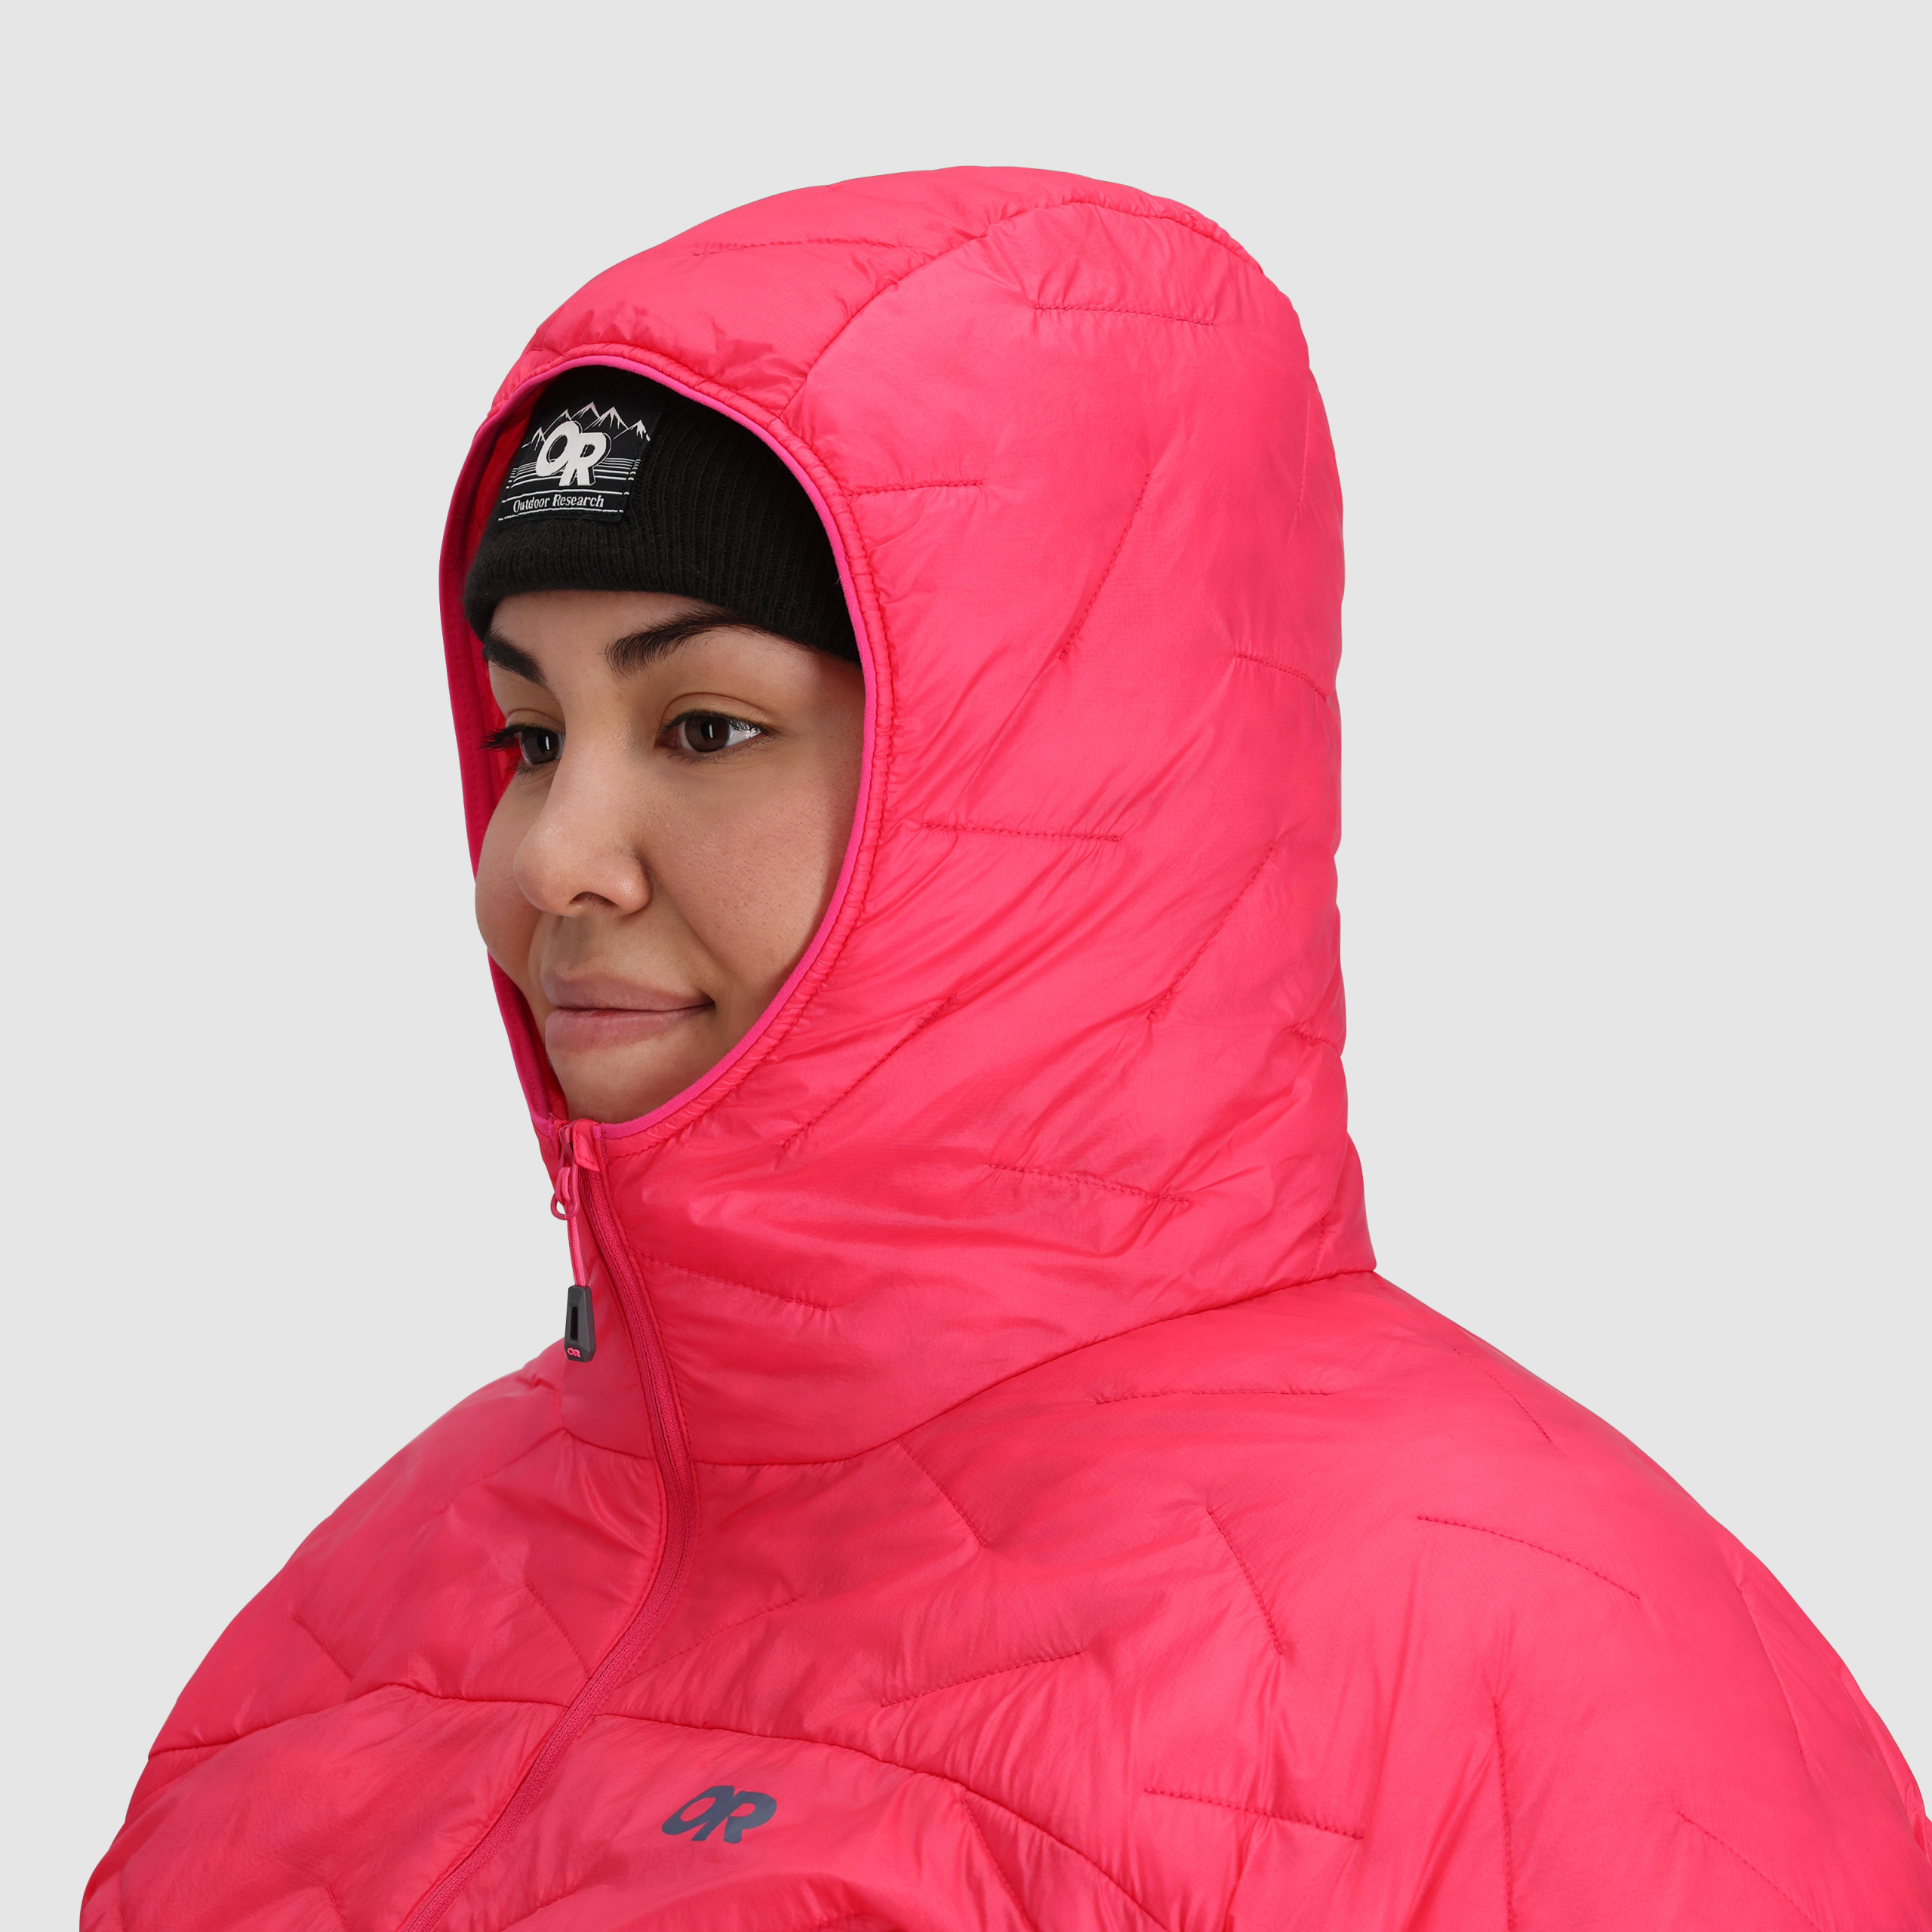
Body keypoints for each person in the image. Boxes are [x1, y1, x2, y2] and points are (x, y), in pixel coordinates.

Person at [85, 167, 1930, 1930]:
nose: (550, 862)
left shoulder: (1521, 1666)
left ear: (1063, 773)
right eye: (531, 735)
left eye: (708, 726)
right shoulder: (378, 1593)